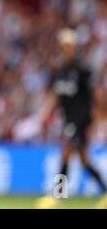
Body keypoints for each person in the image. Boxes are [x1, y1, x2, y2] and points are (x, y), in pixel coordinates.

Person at [36, 28, 107, 209]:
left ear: (74, 46)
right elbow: (56, 94)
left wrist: (100, 118)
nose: (66, 48)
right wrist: (46, 112)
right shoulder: (60, 70)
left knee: (66, 153)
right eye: (64, 45)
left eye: (69, 44)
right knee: (84, 160)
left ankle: (57, 196)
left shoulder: (83, 69)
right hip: (68, 118)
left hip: (81, 118)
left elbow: (96, 94)